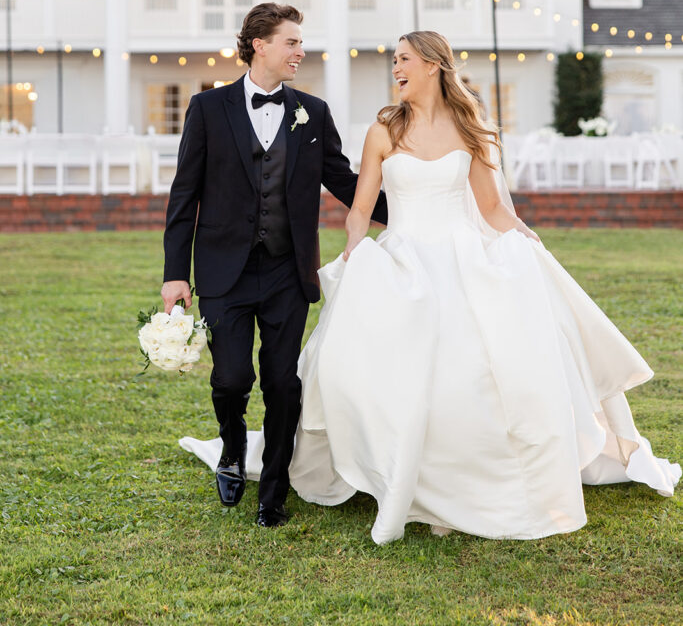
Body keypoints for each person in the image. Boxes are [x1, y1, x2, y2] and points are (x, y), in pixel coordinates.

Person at [179, 30, 679, 542]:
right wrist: (354, 255)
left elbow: (492, 208)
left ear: (435, 66)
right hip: (403, 260)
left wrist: (530, 241)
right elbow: (358, 212)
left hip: (462, 261)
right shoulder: (383, 130)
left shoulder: (471, 129)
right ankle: (381, 464)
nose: (396, 68)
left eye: (404, 59)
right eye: (394, 60)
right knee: (377, 367)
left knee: (471, 372)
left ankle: (463, 475)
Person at [162, 2, 387, 528]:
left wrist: (408, 214)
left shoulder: (313, 111)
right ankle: (233, 450)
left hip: (288, 270)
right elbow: (183, 194)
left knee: (283, 382)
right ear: (259, 44)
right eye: (291, 42)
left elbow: (345, 182)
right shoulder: (207, 109)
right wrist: (176, 273)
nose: (300, 51)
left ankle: (276, 490)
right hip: (224, 271)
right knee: (231, 377)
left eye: (300, 43)